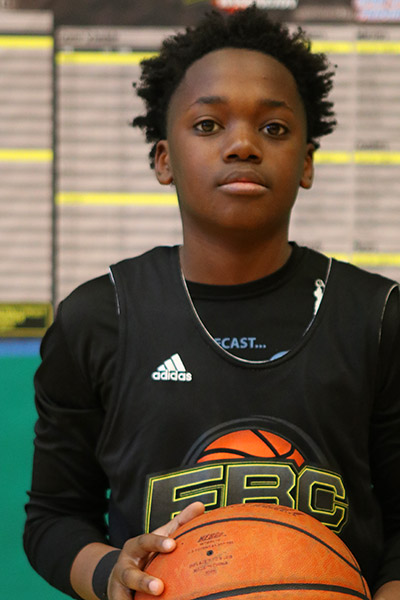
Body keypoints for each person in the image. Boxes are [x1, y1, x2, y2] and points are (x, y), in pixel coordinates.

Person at [24, 6, 400, 600]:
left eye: (274, 128)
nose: (243, 144)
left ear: (306, 163)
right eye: (207, 125)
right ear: (163, 159)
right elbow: (53, 517)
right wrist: (110, 572)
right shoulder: (99, 319)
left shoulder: (377, 317)